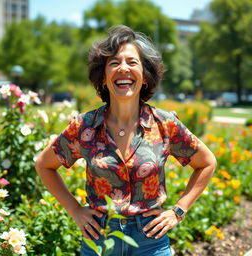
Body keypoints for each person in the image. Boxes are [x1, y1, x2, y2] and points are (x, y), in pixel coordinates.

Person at [35, 25, 217, 256]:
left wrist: (178, 211)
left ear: (144, 77)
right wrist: (75, 210)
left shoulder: (165, 124)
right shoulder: (84, 127)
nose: (123, 69)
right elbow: (44, 165)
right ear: (103, 77)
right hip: (99, 239)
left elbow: (206, 162)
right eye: (114, 63)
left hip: (151, 241)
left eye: (132, 62)